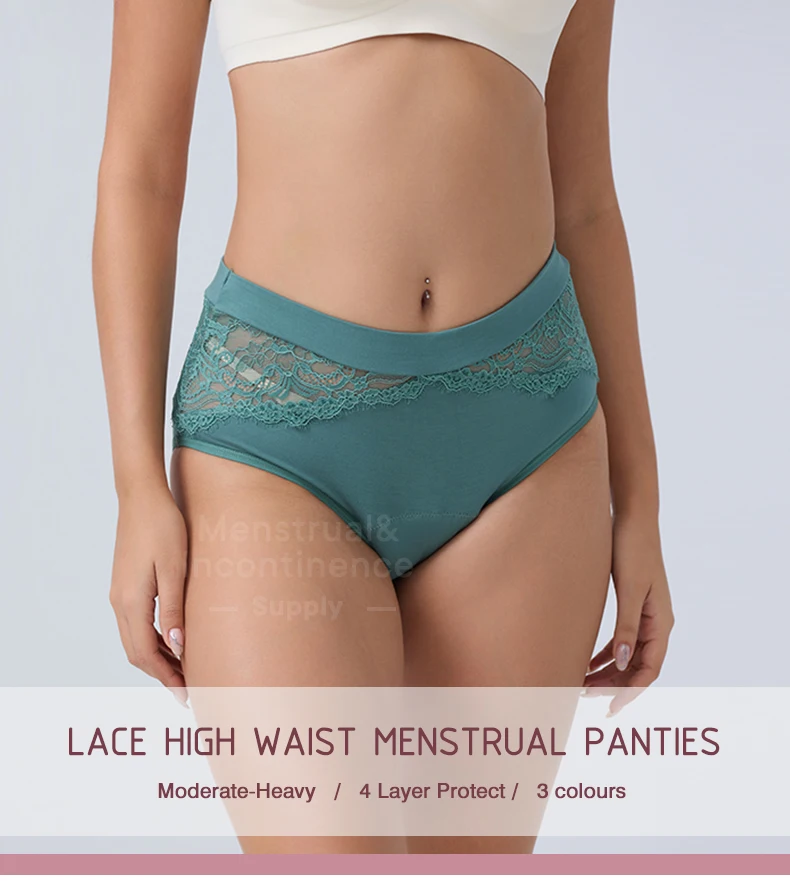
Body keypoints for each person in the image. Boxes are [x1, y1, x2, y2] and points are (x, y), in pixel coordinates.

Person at [93, 0, 674, 854]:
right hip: (275, 441)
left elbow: (585, 201)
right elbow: (140, 171)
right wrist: (135, 481)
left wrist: (642, 500)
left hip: (527, 441)